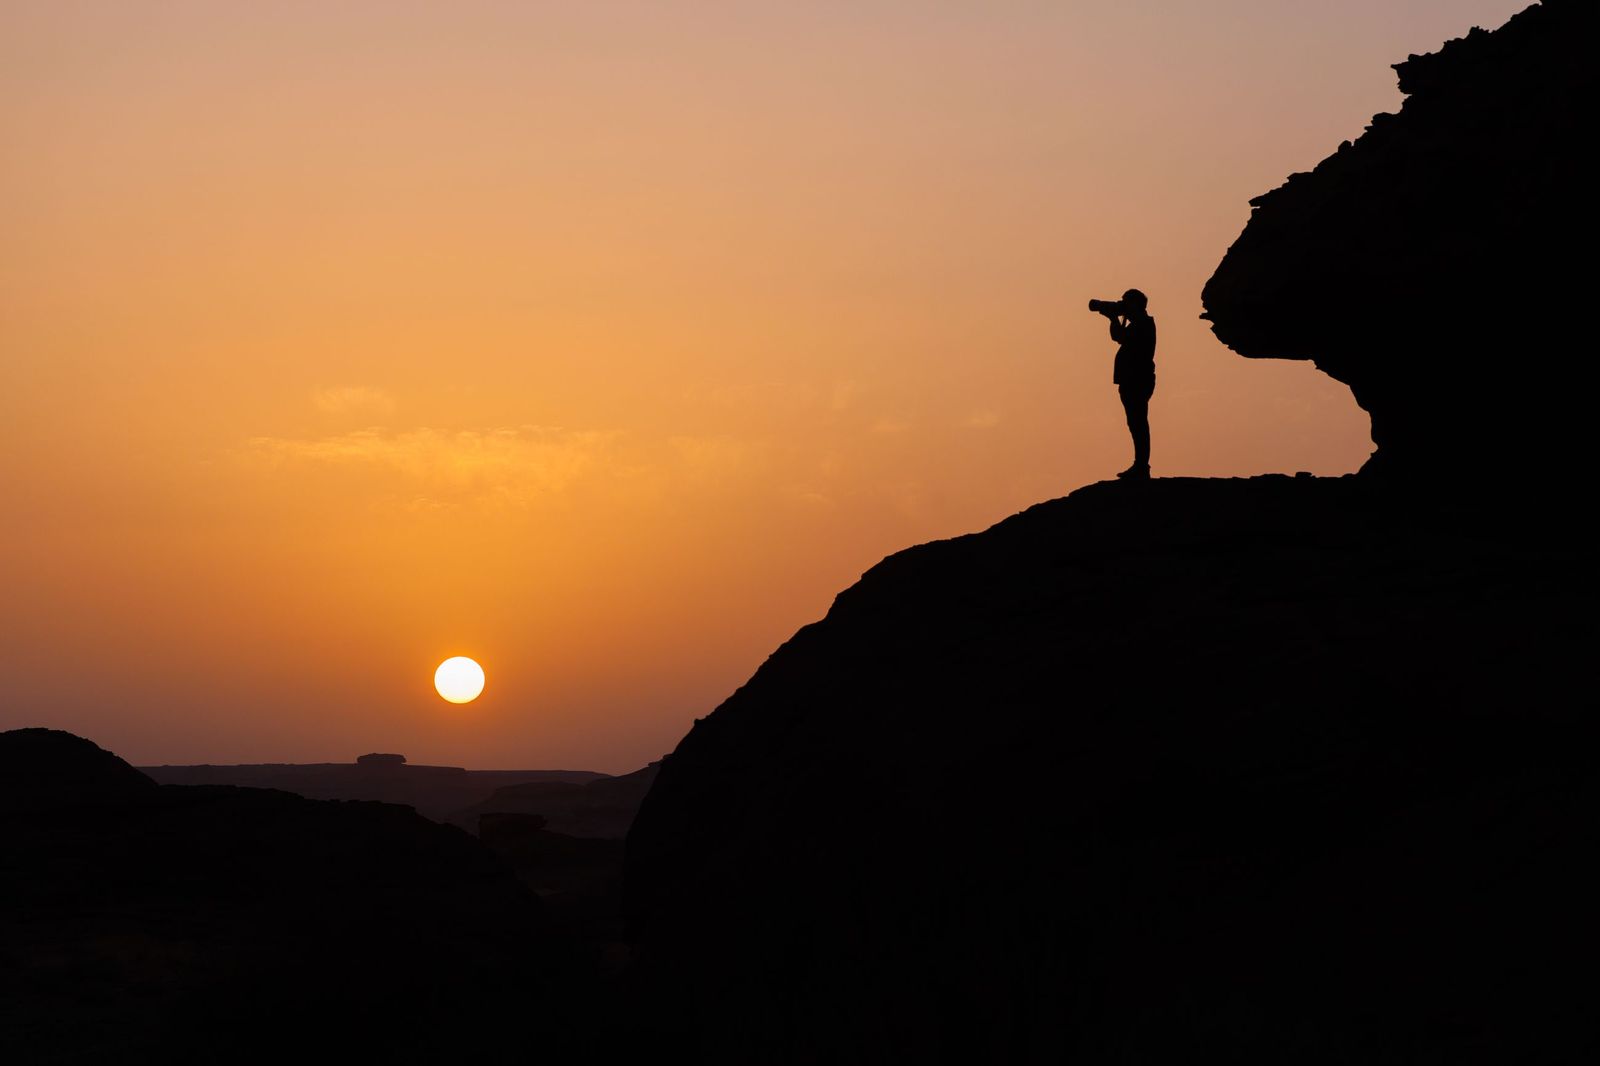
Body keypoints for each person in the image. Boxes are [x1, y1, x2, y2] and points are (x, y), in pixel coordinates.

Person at [1096, 288, 1156, 479]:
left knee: (1138, 422)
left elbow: (1120, 337)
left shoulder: (1144, 324)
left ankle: (1141, 466)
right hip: (1132, 379)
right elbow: (1119, 337)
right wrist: (1114, 318)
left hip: (1137, 379)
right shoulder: (1139, 323)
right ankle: (1140, 465)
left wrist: (1113, 318)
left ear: (1135, 304)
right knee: (1135, 422)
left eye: (1125, 302)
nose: (1122, 306)